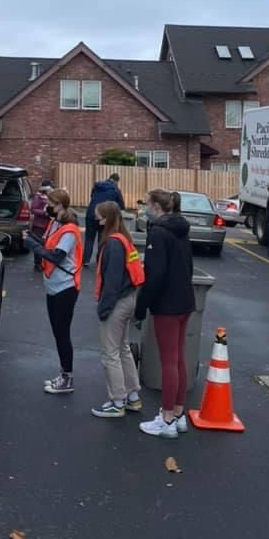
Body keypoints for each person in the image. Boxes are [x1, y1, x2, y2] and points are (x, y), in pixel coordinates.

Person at [135, 189, 195, 439]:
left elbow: (154, 275)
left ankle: (167, 418)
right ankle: (178, 414)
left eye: (147, 204)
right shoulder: (181, 230)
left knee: (168, 362)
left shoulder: (158, 232)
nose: (145, 208)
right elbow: (188, 267)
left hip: (166, 306)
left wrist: (141, 308)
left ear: (156, 207)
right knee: (178, 359)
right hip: (185, 302)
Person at [24, 189, 83, 394]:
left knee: (62, 334)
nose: (45, 206)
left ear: (58, 205)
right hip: (54, 286)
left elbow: (56, 256)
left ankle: (67, 378)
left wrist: (31, 244)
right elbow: (47, 245)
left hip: (65, 287)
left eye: (49, 203)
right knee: (58, 333)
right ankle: (64, 374)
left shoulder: (70, 230)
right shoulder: (55, 223)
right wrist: (31, 237)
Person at [91, 201, 145, 419]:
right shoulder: (124, 238)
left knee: (110, 353)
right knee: (122, 349)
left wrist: (103, 308)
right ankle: (132, 397)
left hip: (116, 302)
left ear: (107, 219)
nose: (96, 220)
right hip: (129, 298)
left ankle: (117, 401)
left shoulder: (112, 244)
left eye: (99, 217)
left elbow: (111, 282)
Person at [83, 173, 125, 266]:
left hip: (91, 213)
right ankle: (100, 261)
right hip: (104, 216)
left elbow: (92, 196)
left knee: (89, 238)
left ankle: (86, 260)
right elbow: (121, 206)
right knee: (102, 239)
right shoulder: (116, 189)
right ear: (116, 181)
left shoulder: (97, 186)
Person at [29, 179, 54, 272]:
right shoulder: (38, 197)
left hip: (48, 224)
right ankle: (37, 263)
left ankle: (43, 262)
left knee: (46, 244)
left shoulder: (50, 197)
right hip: (39, 225)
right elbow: (33, 209)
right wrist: (45, 213)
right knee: (38, 244)